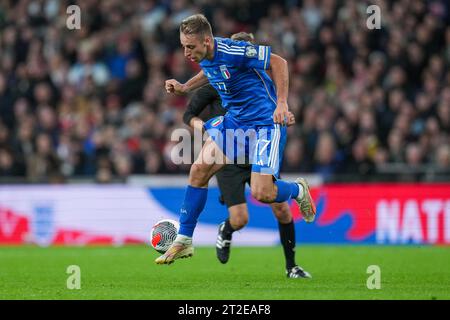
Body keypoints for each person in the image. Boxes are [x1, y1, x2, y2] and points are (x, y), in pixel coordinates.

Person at [156, 14, 316, 265]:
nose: (186, 52)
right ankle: (184, 239)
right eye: (183, 46)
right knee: (198, 169)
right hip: (236, 123)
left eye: (190, 46)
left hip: (265, 124)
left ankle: (297, 189)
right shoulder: (206, 56)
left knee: (263, 194)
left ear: (207, 41)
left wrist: (282, 104)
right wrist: (186, 87)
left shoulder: (233, 50)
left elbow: (279, 62)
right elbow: (210, 72)